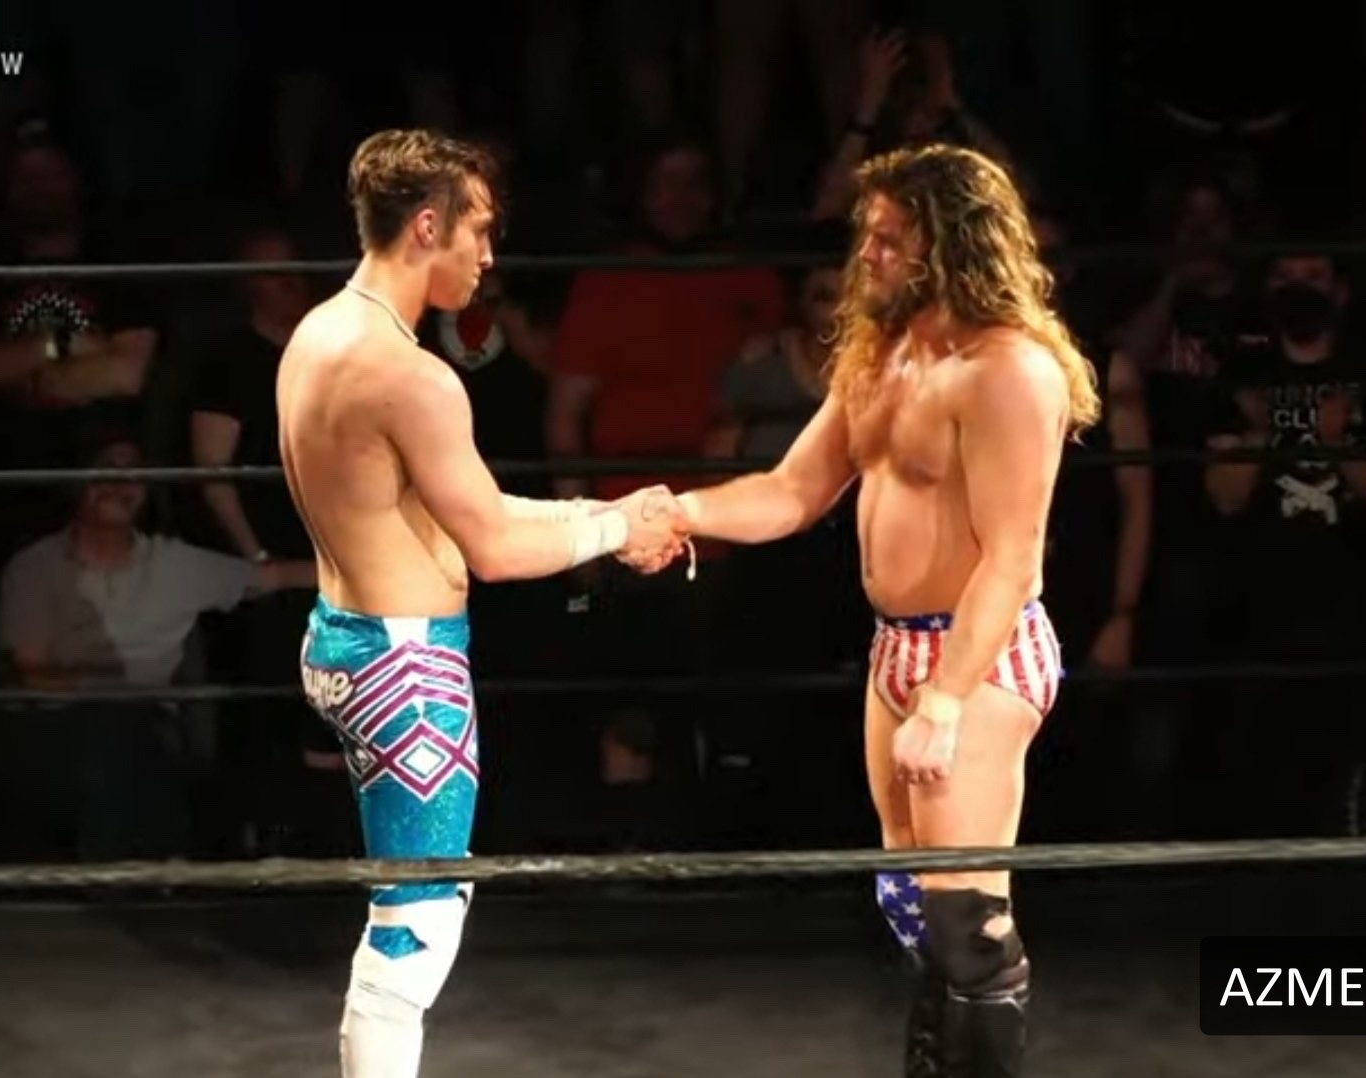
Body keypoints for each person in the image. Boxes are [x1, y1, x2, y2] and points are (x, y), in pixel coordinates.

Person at [668, 143, 1100, 1076]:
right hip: (895, 649)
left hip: (977, 658)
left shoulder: (1007, 371)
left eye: (889, 238)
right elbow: (790, 491)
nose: (866, 255)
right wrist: (677, 513)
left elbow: (1012, 559)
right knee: (912, 906)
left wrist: (944, 700)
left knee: (968, 923)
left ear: (947, 243)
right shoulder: (883, 356)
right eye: (867, 234)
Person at [275, 129, 686, 1078]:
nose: (490, 257)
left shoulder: (317, 336)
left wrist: (606, 515)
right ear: (428, 227)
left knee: (409, 910)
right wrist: (613, 530)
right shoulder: (411, 378)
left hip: (344, 641)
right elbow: (493, 548)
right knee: (413, 932)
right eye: (480, 231)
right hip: (405, 667)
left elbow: (471, 508)